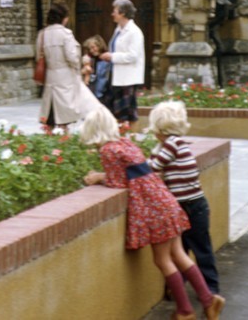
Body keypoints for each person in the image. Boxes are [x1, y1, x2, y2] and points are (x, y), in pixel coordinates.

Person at [81, 106, 225, 320]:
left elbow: (119, 181)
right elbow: (140, 172)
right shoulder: (126, 143)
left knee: (162, 260)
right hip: (167, 202)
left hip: (153, 210)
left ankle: (185, 310)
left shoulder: (108, 150)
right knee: (179, 255)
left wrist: (99, 178)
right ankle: (208, 299)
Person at [147, 100, 220, 295]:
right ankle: (180, 285)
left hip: (192, 206)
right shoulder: (175, 143)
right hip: (185, 206)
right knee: (183, 247)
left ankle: (211, 288)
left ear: (161, 128)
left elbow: (153, 167)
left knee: (199, 248)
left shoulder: (172, 144)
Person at [36, 2, 101, 128]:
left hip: (50, 78)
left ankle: (51, 142)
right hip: (66, 79)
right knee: (63, 117)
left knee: (51, 115)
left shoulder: (42, 34)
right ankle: (64, 141)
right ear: (63, 18)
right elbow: (72, 58)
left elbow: (39, 56)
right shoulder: (66, 34)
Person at [98, 0, 144, 126]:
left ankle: (131, 142)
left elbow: (133, 56)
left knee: (129, 114)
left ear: (122, 13)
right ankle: (120, 141)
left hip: (127, 78)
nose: (112, 14)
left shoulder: (135, 32)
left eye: (115, 11)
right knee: (114, 111)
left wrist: (112, 57)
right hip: (115, 77)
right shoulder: (118, 29)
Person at [82, 34, 112, 108]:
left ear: (99, 45)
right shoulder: (90, 60)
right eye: (90, 49)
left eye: (93, 47)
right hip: (93, 92)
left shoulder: (106, 58)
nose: (92, 50)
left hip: (104, 92)